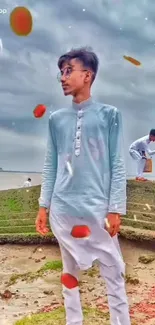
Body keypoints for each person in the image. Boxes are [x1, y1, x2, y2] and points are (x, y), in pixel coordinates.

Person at [35, 47, 131, 325]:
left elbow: (117, 163)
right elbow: (51, 165)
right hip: (64, 209)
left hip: (98, 210)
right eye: (61, 72)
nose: (62, 78)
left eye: (69, 71)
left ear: (87, 75)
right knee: (69, 275)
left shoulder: (109, 115)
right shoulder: (56, 120)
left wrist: (115, 208)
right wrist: (44, 205)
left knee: (114, 273)